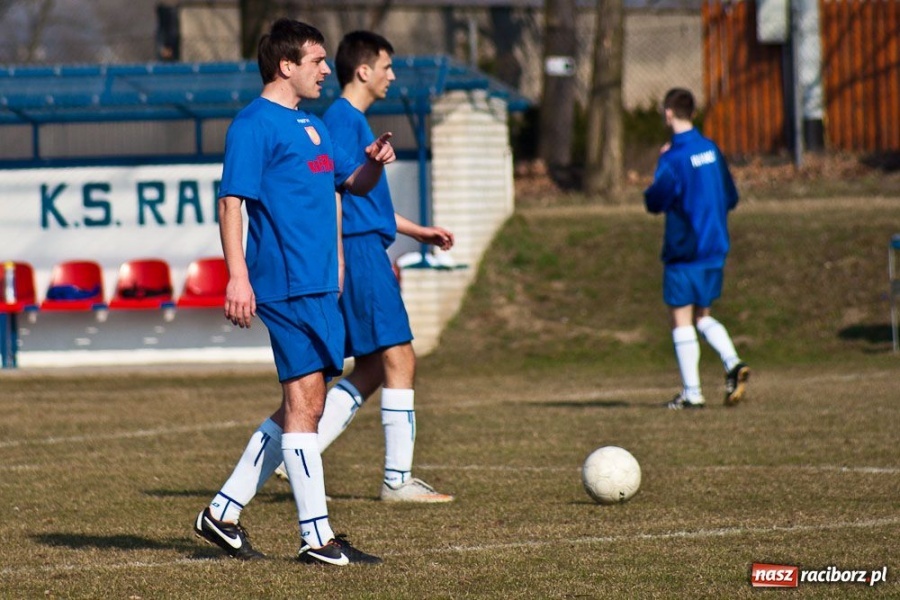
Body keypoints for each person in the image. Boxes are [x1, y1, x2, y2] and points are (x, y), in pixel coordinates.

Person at [192, 18, 396, 565]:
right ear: (287, 65)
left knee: (304, 403)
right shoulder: (253, 124)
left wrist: (372, 166)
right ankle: (317, 538)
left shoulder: (313, 126)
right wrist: (238, 276)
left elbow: (347, 186)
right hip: (282, 283)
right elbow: (231, 202)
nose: (326, 70)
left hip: (319, 285)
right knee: (306, 401)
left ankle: (223, 511)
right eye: (317, 61)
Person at [274, 30, 455, 503]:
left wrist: (418, 232)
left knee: (374, 366)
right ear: (364, 70)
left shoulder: (352, 122)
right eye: (388, 66)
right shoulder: (342, 119)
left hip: (366, 249)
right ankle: (396, 480)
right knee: (400, 357)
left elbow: (365, 200)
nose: (393, 76)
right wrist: (343, 258)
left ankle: (298, 451)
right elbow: (334, 191)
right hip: (357, 254)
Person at [643, 87, 750, 410]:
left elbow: (655, 200)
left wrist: (661, 164)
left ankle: (693, 392)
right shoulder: (711, 150)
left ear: (668, 113)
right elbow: (730, 196)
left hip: (685, 248)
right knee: (702, 315)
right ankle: (732, 362)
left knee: (682, 318)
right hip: (715, 246)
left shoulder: (673, 158)